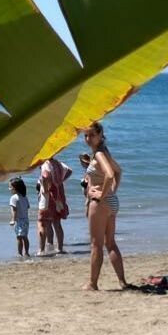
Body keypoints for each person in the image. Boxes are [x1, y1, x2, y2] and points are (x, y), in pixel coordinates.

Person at [82, 122, 129, 291]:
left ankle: (92, 283)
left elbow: (110, 174)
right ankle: (122, 282)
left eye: (92, 135)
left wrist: (101, 195)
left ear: (100, 135)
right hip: (111, 202)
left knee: (96, 245)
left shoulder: (100, 154)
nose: (88, 139)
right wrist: (111, 192)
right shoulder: (103, 151)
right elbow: (118, 171)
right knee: (110, 243)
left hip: (101, 204)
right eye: (86, 136)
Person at [38, 155, 72, 253]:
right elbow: (69, 171)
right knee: (57, 223)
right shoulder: (57, 163)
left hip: (50, 196)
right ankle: (59, 248)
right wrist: (61, 180)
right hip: (59, 195)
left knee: (45, 222)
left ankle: (45, 248)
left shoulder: (46, 164)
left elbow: (45, 176)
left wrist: (45, 189)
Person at [8, 178, 30, 258]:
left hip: (19, 220)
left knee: (19, 238)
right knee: (25, 237)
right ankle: (26, 253)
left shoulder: (13, 198)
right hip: (26, 220)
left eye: (10, 187)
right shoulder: (24, 197)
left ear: (15, 188)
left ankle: (20, 253)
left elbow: (14, 210)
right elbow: (27, 207)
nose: (9, 189)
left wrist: (13, 220)